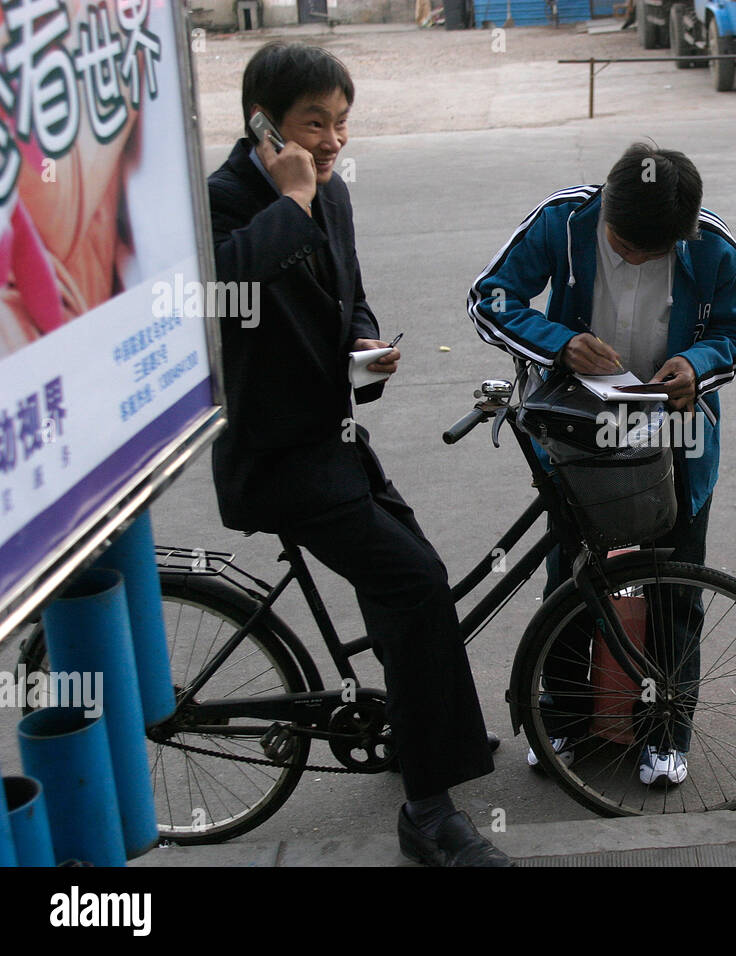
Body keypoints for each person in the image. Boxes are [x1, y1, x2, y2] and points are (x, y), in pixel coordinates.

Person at [207, 41, 509, 867]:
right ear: (265, 124)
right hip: (274, 457)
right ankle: (429, 811)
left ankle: (423, 729)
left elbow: (350, 289)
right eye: (316, 123)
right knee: (410, 583)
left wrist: (366, 343)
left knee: (416, 576)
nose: (335, 140)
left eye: (342, 122)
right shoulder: (228, 199)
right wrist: (292, 200)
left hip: (335, 444)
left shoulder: (329, 193)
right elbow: (220, 300)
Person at [467, 142, 736, 786]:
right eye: (622, 241)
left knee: (676, 585)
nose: (629, 257)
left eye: (649, 253)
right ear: (605, 205)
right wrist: (562, 344)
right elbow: (490, 300)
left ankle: (665, 731)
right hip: (579, 437)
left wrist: (697, 366)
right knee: (570, 580)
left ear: (679, 236)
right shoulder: (563, 221)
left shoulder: (712, 247)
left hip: (676, 438)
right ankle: (564, 719)